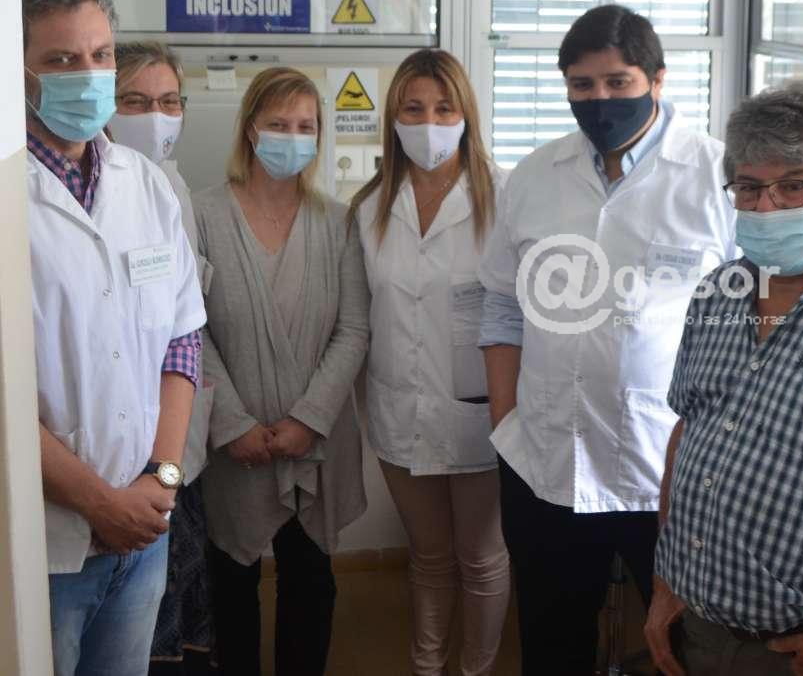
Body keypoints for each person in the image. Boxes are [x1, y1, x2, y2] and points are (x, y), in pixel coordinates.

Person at [477, 3, 737, 673]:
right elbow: (502, 304)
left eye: (618, 82)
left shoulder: (718, 177)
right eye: (582, 85)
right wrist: (505, 420)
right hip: (545, 459)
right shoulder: (535, 176)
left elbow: (754, 322)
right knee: (551, 644)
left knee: (685, 649)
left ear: (657, 79)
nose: (600, 100)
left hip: (671, 474)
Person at [645, 81, 803, 676]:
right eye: (748, 187)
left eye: (794, 185)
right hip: (697, 626)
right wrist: (667, 580)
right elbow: (689, 432)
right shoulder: (719, 291)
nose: (766, 208)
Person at [22, 0, 206, 676]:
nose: (88, 75)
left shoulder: (145, 186)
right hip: (47, 545)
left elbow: (182, 337)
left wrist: (162, 477)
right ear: (19, 71)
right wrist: (101, 502)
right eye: (62, 60)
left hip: (144, 531)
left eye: (100, 56)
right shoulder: (8, 195)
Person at [193, 67, 370, 676]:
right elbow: (190, 331)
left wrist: (308, 420)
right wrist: (232, 424)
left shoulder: (338, 221)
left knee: (311, 583)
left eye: (305, 126)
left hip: (314, 445)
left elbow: (353, 330)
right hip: (233, 445)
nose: (292, 138)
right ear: (250, 129)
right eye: (278, 123)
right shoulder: (202, 215)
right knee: (231, 585)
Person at [350, 49, 510, 676]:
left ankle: (476, 669)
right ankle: (427, 667)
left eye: (444, 109)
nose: (429, 123)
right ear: (393, 118)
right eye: (413, 109)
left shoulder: (503, 198)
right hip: (400, 410)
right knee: (429, 556)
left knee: (482, 558)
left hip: (481, 415)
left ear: (466, 115)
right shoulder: (370, 207)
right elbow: (362, 316)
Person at [107, 40, 219, 676]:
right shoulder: (82, 190)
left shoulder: (174, 187)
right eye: (136, 101)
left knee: (182, 596)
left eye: (170, 102)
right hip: (119, 454)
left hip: (177, 447)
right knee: (139, 632)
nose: (157, 117)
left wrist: (168, 464)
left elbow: (187, 328)